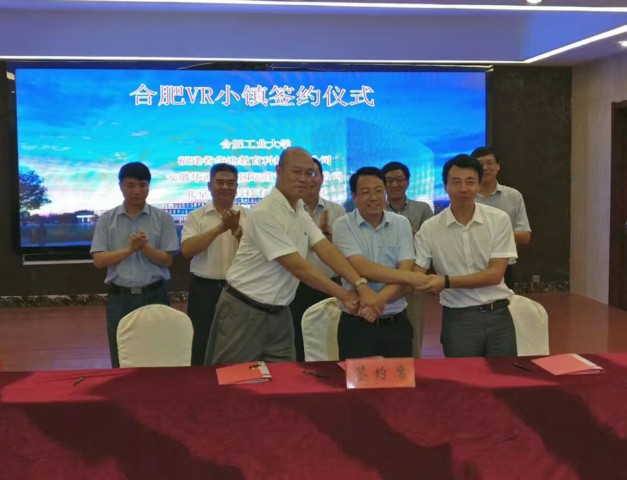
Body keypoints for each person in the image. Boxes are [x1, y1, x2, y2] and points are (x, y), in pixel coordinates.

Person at [205, 147, 383, 365]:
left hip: (281, 313)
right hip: (245, 310)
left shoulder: (299, 209)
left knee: (284, 378)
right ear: (279, 171)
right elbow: (298, 267)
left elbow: (324, 248)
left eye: (309, 173)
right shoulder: (264, 212)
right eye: (296, 172)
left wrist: (360, 284)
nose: (303, 179)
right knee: (236, 379)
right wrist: (346, 296)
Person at [413, 154, 518, 358]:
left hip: (498, 316)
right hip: (458, 318)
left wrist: (445, 281)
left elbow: (495, 274)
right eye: (456, 182)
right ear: (445, 186)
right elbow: (417, 273)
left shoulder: (499, 220)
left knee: (505, 375)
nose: (463, 188)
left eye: (470, 182)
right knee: (464, 377)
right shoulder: (430, 228)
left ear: (478, 185)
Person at [333, 167, 429, 359]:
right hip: (356, 324)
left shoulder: (401, 223)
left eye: (379, 191)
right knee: (356, 379)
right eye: (366, 192)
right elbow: (364, 268)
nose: (374, 197)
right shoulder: (342, 225)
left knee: (399, 378)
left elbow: (405, 268)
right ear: (354, 196)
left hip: (396, 323)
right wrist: (412, 278)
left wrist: (377, 302)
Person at [91, 162, 179, 368]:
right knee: (122, 355)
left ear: (149, 186)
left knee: (158, 354)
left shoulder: (163, 219)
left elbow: (167, 260)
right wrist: (130, 250)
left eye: (142, 185)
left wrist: (144, 248)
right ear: (120, 186)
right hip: (120, 298)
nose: (137, 191)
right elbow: (99, 260)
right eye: (130, 185)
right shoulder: (106, 220)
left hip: (155, 295)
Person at [181, 163, 246, 365]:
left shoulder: (249, 216)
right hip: (204, 290)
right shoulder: (196, 216)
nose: (225, 187)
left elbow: (257, 252)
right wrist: (220, 228)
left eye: (230, 183)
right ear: (209, 186)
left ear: (237, 187)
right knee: (201, 343)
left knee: (238, 344)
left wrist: (236, 230)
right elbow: (187, 249)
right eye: (220, 182)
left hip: (239, 289)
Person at [288, 157, 346, 362]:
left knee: (331, 337)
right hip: (297, 286)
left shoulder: (337, 211)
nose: (308, 179)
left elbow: (344, 252)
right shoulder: (290, 211)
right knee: (298, 338)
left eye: (313, 174)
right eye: (302, 174)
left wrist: (328, 238)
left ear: (322, 178)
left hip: (331, 285)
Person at [381, 160, 434, 358]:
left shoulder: (423, 209)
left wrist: (408, 230)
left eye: (399, 180)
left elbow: (430, 243)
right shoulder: (375, 208)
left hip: (413, 277)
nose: (395, 184)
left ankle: (414, 368)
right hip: (382, 276)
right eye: (389, 180)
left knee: (414, 328)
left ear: (408, 182)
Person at [470, 146, 531, 289]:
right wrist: (500, 236)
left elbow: (524, 236)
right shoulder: (466, 197)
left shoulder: (513, 196)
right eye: (480, 164)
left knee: (505, 303)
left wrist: (485, 236)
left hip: (505, 267)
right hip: (471, 266)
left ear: (498, 166)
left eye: (489, 163)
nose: (485, 168)